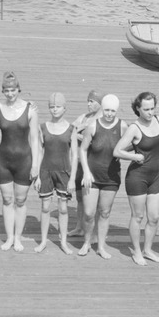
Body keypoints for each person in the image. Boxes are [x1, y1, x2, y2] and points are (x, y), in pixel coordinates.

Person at [114, 91, 159, 265]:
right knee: (138, 216)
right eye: (146, 109)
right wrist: (134, 157)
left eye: (152, 108)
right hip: (137, 177)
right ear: (138, 109)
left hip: (155, 176)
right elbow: (117, 151)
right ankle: (137, 251)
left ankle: (148, 249)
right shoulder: (134, 128)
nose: (150, 112)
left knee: (154, 217)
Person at [0, 71, 40, 252]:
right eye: (6, 90)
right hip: (3, 161)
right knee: (7, 199)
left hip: (24, 160)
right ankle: (9, 237)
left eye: (13, 90)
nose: (10, 94)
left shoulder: (30, 110)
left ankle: (18, 238)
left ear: (18, 90)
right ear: (3, 91)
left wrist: (35, 164)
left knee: (20, 200)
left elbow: (35, 139)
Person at [78, 93, 124, 259]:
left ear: (117, 110)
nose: (109, 114)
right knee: (89, 213)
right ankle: (86, 242)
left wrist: (124, 153)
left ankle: (101, 246)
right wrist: (86, 171)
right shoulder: (93, 126)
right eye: (106, 110)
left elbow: (134, 143)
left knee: (104, 212)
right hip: (92, 175)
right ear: (102, 109)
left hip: (111, 177)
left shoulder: (122, 126)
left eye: (112, 111)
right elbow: (82, 150)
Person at [35, 92, 75, 254]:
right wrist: (37, 175)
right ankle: (43, 240)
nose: (55, 110)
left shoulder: (71, 128)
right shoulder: (43, 127)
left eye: (58, 107)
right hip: (46, 170)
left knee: (63, 208)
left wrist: (72, 179)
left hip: (64, 171)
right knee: (45, 207)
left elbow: (75, 156)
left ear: (64, 108)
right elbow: (39, 152)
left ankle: (63, 242)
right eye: (52, 107)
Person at [67, 90, 102, 239]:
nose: (88, 104)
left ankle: (94, 232)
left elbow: (98, 141)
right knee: (80, 198)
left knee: (95, 202)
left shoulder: (102, 120)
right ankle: (79, 227)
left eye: (92, 101)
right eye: (88, 101)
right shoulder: (83, 117)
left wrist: (79, 135)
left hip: (94, 164)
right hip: (80, 164)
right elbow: (70, 131)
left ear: (100, 103)